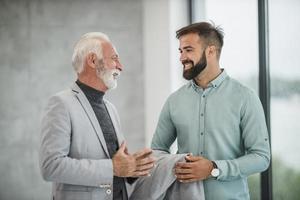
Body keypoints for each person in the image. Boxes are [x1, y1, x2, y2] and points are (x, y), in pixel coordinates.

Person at [151, 22, 271, 200]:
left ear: (211, 51)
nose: (182, 57)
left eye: (188, 50)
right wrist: (174, 165)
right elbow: (157, 150)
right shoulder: (174, 100)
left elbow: (261, 157)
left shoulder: (245, 97)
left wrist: (214, 168)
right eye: (180, 51)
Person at [39, 32, 155, 200]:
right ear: (93, 60)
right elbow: (51, 166)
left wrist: (132, 167)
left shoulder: (111, 108)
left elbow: (117, 165)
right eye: (114, 58)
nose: (120, 66)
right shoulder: (60, 104)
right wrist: (113, 168)